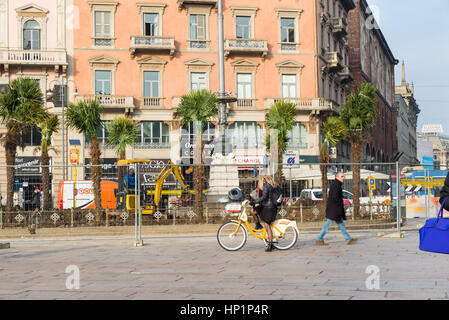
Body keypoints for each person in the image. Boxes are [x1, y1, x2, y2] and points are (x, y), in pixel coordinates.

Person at [316, 172, 357, 246]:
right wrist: (339, 206)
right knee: (328, 224)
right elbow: (335, 197)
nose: (343, 178)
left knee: (341, 224)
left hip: (334, 208)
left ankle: (348, 238)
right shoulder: (336, 185)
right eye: (342, 176)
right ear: (337, 177)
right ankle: (319, 238)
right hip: (334, 209)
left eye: (343, 176)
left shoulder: (336, 184)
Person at [250, 175, 278, 252]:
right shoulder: (270, 185)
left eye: (259, 180)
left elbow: (264, 197)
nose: (259, 182)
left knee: (267, 225)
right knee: (253, 211)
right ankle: (258, 225)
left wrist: (254, 201)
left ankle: (270, 245)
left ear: (263, 180)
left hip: (268, 208)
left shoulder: (266, 185)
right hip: (268, 206)